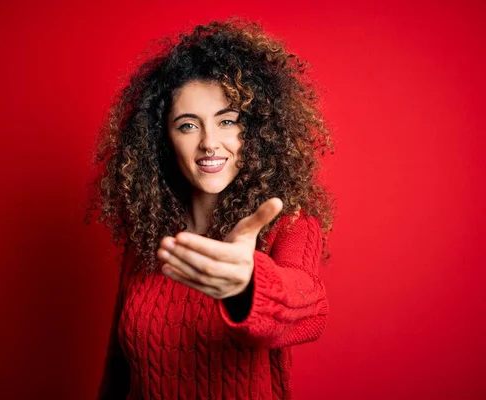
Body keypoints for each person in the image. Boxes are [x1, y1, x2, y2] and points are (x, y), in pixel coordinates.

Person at [85, 16, 336, 400]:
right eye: (188, 125)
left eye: (228, 121)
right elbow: (119, 367)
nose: (209, 143)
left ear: (256, 130)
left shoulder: (288, 226)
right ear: (162, 139)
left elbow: (310, 310)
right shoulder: (149, 233)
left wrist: (247, 286)